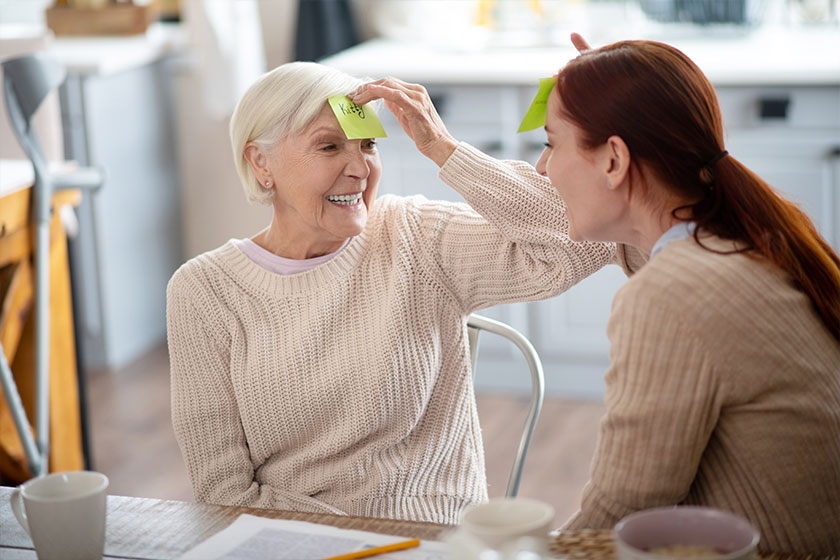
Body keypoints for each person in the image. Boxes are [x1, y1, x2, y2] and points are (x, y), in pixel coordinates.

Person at [166, 60, 624, 525]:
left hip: (429, 537)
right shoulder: (204, 291)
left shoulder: (414, 237)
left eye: (368, 145)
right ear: (260, 162)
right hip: (289, 541)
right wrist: (347, 541)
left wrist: (445, 150)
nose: (360, 167)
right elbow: (222, 490)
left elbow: (584, 238)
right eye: (329, 146)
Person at [528, 39, 839, 554]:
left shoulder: (670, 294)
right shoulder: (746, 241)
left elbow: (620, 510)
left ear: (613, 160)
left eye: (550, 143)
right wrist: (622, 85)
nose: (542, 168)